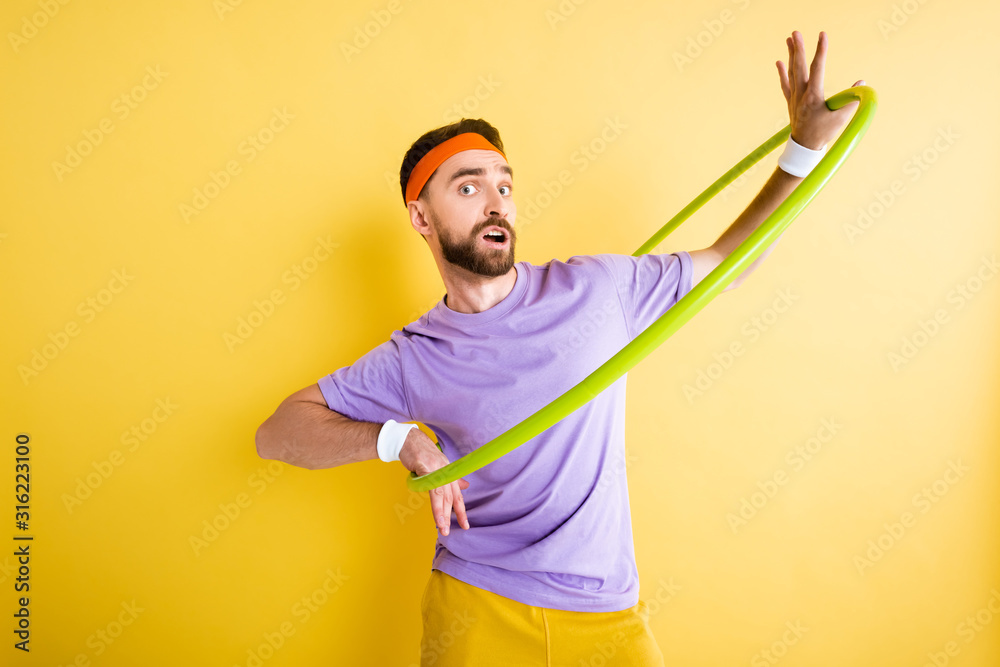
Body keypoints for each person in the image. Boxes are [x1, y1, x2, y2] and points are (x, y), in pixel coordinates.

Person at [255, 30, 864, 667]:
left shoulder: (597, 289)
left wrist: (804, 149)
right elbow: (277, 434)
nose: (497, 204)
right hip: (476, 605)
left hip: (608, 614)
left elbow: (725, 263)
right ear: (421, 218)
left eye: (504, 185)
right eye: (468, 188)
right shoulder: (416, 355)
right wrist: (396, 439)